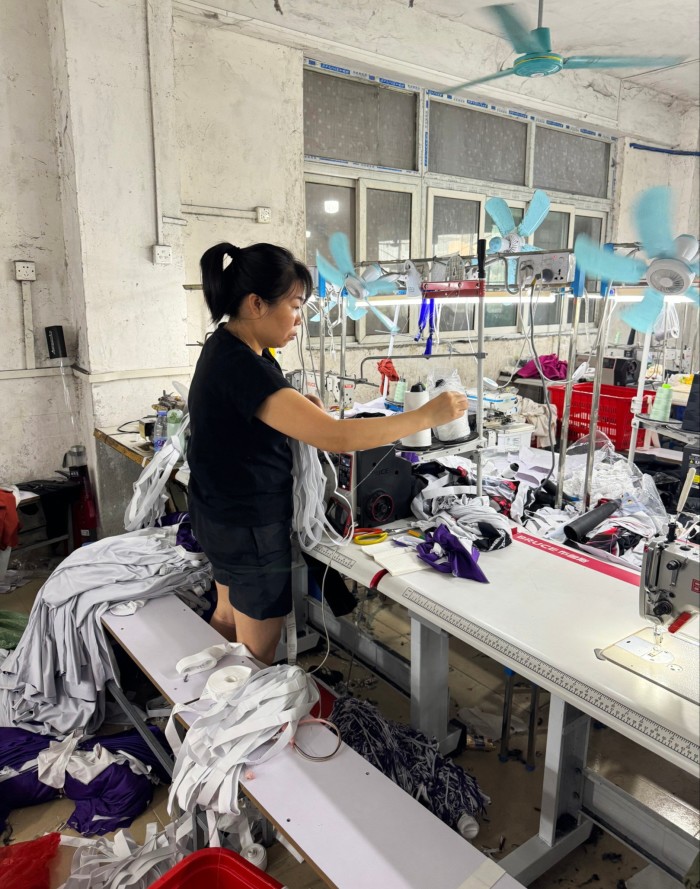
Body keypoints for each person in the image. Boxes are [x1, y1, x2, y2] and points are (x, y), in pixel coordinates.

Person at [187, 242, 468, 665]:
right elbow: (336, 438)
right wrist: (427, 415)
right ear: (256, 303)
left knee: (228, 617)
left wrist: (298, 407)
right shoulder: (243, 366)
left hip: (218, 514)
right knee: (253, 654)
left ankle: (199, 697)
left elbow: (253, 416)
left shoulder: (229, 348)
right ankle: (232, 718)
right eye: (295, 305)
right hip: (249, 527)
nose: (300, 318)